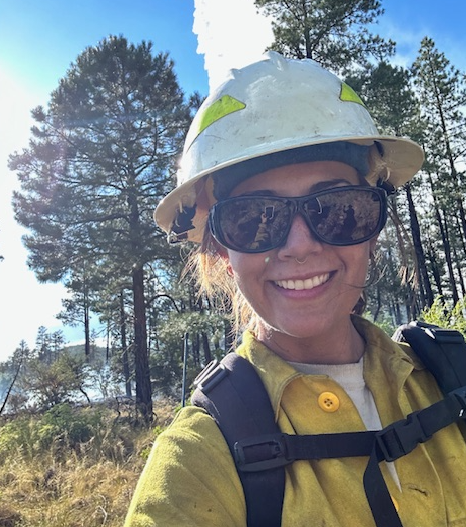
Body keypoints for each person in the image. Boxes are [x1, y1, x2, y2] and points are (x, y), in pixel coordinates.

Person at [124, 52, 466, 527]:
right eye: (254, 219)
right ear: (221, 250)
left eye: (338, 208)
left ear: (372, 227)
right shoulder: (199, 460)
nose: (300, 247)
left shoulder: (453, 377)